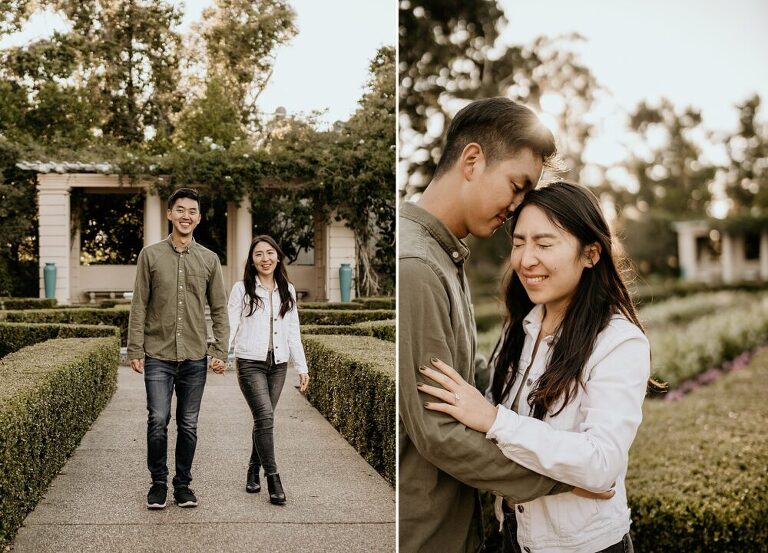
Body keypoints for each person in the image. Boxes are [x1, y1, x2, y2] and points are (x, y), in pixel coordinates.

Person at [399, 98, 613, 553]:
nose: (518, 207)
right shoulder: (417, 264)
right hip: (428, 534)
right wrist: (560, 481)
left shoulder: (443, 254)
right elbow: (438, 432)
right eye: (517, 186)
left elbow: (474, 383)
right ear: (472, 160)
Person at [419, 181, 651, 553]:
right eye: (518, 242)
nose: (526, 259)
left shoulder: (618, 342)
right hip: (513, 535)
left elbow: (601, 463)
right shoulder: (522, 325)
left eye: (544, 244)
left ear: (591, 254)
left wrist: (496, 420)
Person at [127, 187, 229, 510]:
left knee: (188, 424)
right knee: (158, 419)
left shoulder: (210, 260)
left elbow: (220, 309)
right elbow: (139, 304)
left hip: (195, 357)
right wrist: (135, 348)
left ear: (198, 218)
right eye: (180, 210)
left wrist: (220, 350)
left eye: (192, 211)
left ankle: (183, 485)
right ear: (169, 214)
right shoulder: (150, 255)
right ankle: (158, 483)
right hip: (157, 354)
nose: (186, 216)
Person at [227, 235, 309, 505]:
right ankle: (272, 477)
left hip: (279, 364)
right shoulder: (242, 289)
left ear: (277, 256)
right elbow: (231, 323)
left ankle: (253, 468)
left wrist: (302, 366)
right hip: (250, 362)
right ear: (252, 259)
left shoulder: (288, 289)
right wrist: (221, 355)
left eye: (270, 253)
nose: (265, 259)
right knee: (264, 417)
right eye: (259, 254)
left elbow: (293, 331)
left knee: (264, 420)